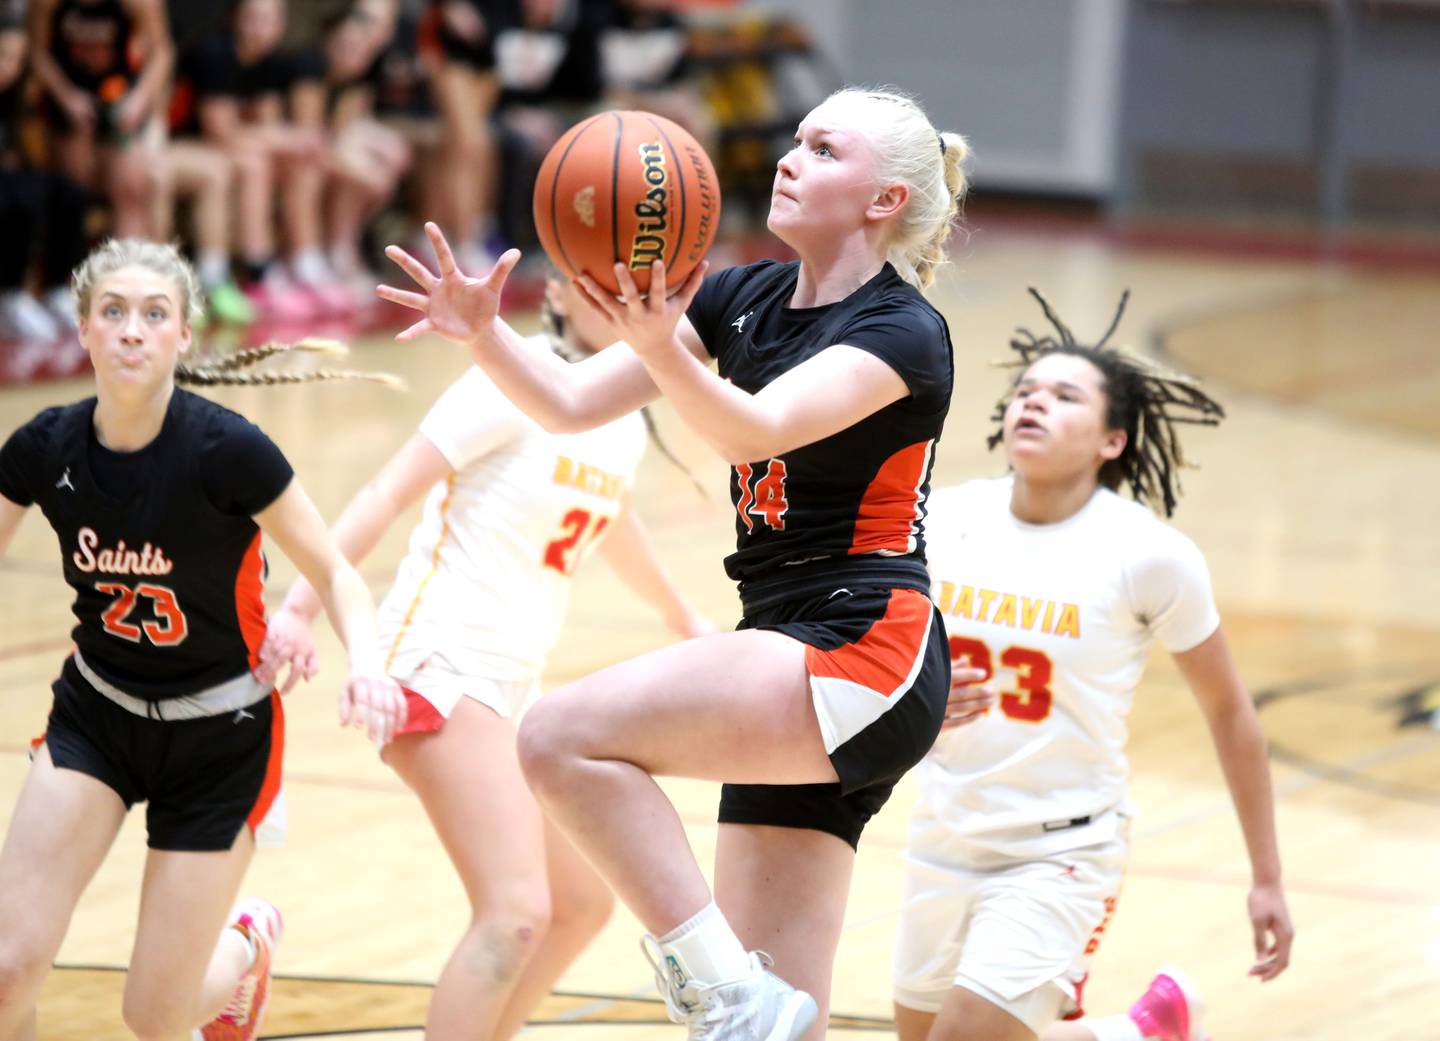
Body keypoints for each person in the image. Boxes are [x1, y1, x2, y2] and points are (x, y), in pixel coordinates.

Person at [379, 86, 969, 1040]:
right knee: (781, 1025)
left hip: (862, 642)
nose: (789, 157)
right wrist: (484, 333)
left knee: (558, 736)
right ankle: (741, 994)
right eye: (795, 139)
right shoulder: (741, 295)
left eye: (824, 149)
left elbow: (755, 430)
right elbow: (569, 402)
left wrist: (662, 345)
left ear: (884, 200)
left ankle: (719, 985)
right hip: (783, 652)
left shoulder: (903, 331)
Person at [257, 270, 708, 1039]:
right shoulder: (505, 381)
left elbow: (614, 518)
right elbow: (384, 492)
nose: (614, 301)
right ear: (558, 294)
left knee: (581, 904)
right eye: (593, 285)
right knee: (515, 912)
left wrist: (686, 620)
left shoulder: (622, 411)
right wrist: (298, 608)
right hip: (437, 658)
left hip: (512, 680)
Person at [0, 238, 405, 1041]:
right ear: (81, 328)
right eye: (111, 312)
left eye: (154, 315)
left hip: (220, 737)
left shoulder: (228, 450)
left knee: (154, 1014)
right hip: (98, 715)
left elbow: (334, 571)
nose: (131, 331)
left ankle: (246, 945)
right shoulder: (45, 447)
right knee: (7, 967)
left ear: (185, 335)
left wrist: (369, 665)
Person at [889, 291, 1295, 1041]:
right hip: (944, 831)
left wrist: (1266, 876)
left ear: (1112, 440)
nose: (1033, 404)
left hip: (1061, 849)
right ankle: (1146, 1030)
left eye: (1064, 395)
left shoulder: (1149, 555)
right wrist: (915, 700)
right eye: (1025, 392)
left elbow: (1231, 712)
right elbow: (878, 655)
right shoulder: (940, 520)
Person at [27, 0, 173, 239]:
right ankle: (70, 269)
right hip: (70, 99)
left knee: (131, 188)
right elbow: (36, 51)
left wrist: (139, 99)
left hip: (120, 97)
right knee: (73, 190)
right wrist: (65, 95)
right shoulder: (46, 4)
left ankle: (125, 267)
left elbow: (161, 52)